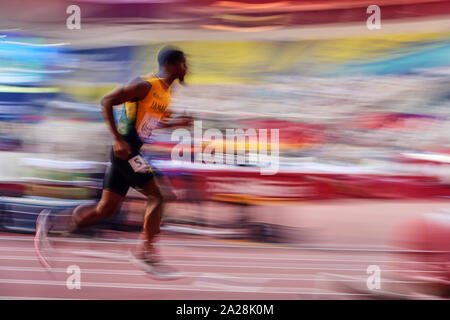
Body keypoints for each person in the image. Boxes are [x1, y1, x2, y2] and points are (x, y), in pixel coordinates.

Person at [37, 46, 190, 278]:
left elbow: (148, 123)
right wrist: (118, 140)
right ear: (171, 65)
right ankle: (146, 255)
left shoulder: (167, 93)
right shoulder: (145, 85)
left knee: (105, 210)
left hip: (132, 151)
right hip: (125, 151)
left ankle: (53, 223)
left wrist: (175, 124)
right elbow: (106, 101)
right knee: (158, 196)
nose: (186, 68)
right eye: (183, 63)